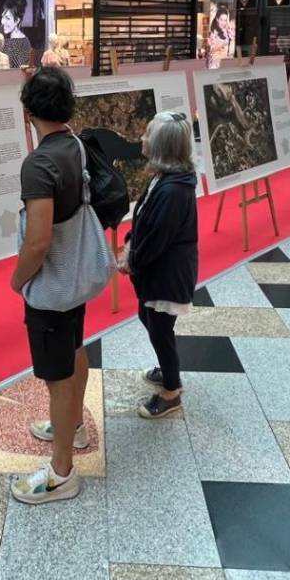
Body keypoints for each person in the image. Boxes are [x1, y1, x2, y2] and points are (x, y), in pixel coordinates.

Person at [12, 67, 91, 505]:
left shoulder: (39, 164)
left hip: (51, 284)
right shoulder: (75, 145)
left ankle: (61, 473)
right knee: (75, 346)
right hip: (77, 274)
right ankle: (72, 426)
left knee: (57, 374)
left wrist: (17, 279)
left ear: (28, 113)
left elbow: (38, 239)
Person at [118, 111, 198, 419]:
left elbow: (156, 239)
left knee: (159, 329)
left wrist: (131, 259)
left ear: (161, 146)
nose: (142, 138)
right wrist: (130, 242)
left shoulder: (173, 189)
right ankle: (169, 368)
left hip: (167, 274)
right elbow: (145, 223)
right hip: (160, 270)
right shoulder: (166, 179)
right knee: (151, 320)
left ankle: (171, 391)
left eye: (148, 134)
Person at [0, 0, 34, 67]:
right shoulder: (18, 40)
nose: (2, 21)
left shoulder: (17, 44)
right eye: (3, 17)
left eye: (7, 18)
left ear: (17, 21)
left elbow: (18, 70)